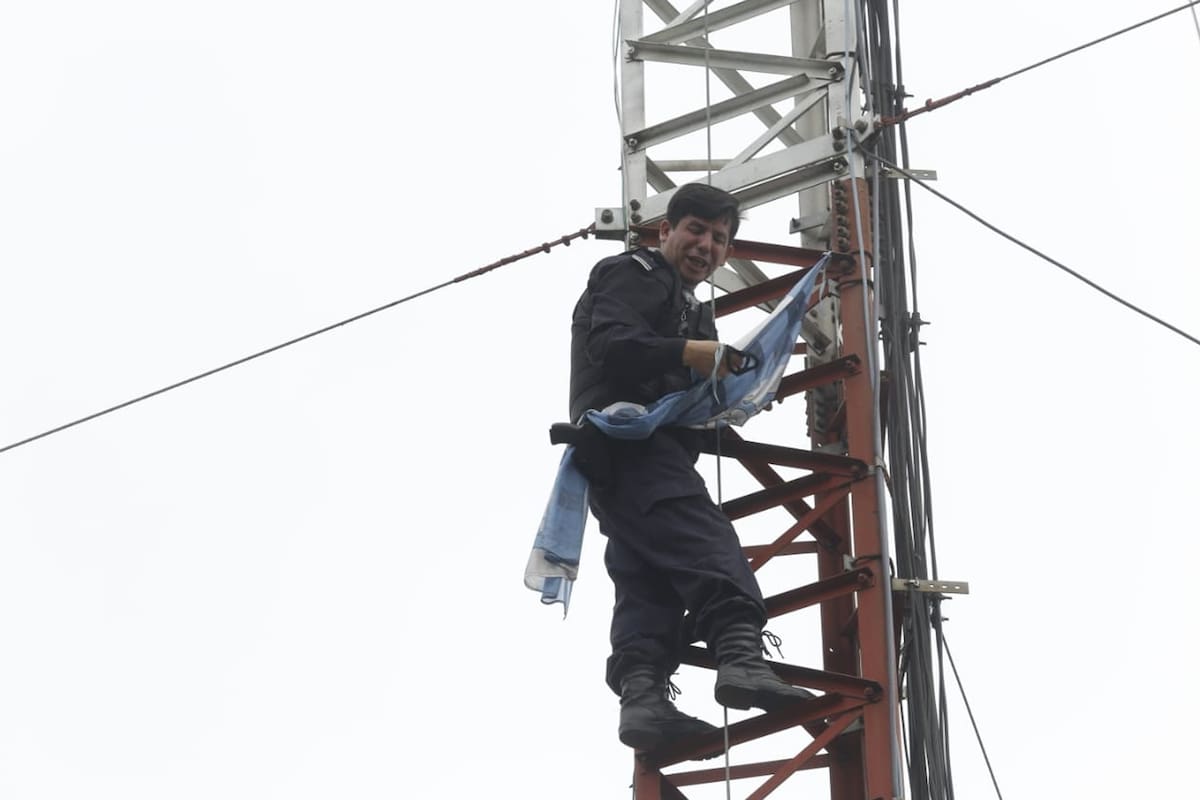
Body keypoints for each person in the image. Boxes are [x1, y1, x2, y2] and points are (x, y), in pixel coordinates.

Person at [568, 183, 813, 752]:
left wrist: (739, 394)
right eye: (696, 230)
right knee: (705, 543)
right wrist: (688, 353)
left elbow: (689, 396)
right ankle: (740, 657)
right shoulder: (634, 272)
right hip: (630, 443)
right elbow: (611, 345)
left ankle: (643, 699)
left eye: (719, 239)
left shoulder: (692, 310)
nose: (706, 246)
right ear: (666, 231)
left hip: (628, 457)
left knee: (647, 576)